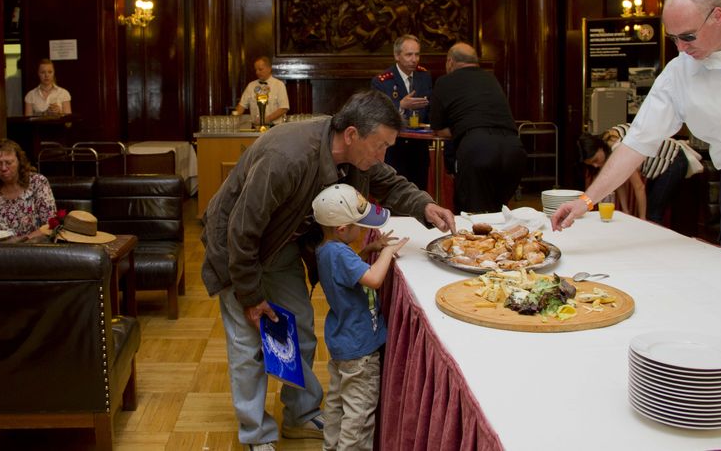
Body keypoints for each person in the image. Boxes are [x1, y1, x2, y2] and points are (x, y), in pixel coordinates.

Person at [200, 89, 455, 451]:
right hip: (234, 249)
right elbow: (241, 231)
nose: (383, 155)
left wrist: (425, 207)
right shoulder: (285, 157)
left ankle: (300, 415)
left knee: (301, 330)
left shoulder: (355, 154)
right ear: (352, 134)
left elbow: (389, 181)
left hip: (281, 247)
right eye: (380, 146)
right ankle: (256, 435)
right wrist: (252, 297)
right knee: (248, 344)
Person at [553, 0, 721, 267]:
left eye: (688, 36)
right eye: (673, 38)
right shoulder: (678, 77)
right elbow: (636, 144)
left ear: (717, 16)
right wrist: (586, 201)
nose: (681, 48)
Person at [312, 184, 408, 451]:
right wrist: (386, 252)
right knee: (358, 415)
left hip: (343, 344)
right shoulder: (340, 253)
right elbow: (374, 279)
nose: (364, 230)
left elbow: (346, 271)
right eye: (360, 226)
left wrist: (369, 250)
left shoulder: (327, 249)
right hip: (360, 351)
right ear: (343, 229)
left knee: (336, 405)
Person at [429, 42, 527, 213]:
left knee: (471, 215)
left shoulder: (445, 82)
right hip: (514, 149)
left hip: (477, 148)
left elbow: (438, 128)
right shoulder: (491, 79)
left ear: (450, 61)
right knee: (499, 213)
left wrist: (462, 127)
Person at [578, 124, 687, 224]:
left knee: (652, 214)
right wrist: (625, 211)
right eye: (591, 164)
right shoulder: (607, 141)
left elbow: (639, 187)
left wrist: (642, 220)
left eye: (595, 160)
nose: (595, 166)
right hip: (661, 164)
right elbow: (618, 182)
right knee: (650, 210)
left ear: (600, 147)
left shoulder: (620, 149)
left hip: (672, 160)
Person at [371, 34, 432, 190]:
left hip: (419, 151)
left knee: (419, 195)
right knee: (394, 195)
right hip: (394, 150)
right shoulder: (382, 81)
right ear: (397, 56)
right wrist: (400, 105)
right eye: (409, 54)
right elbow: (377, 113)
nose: (414, 59)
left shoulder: (424, 76)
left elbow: (429, 109)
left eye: (417, 54)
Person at [0, 138, 57, 239]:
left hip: (33, 245)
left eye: (9, 163)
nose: (3, 168)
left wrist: (22, 242)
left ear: (19, 162)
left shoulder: (37, 182)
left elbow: (50, 225)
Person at [234, 56, 290, 126]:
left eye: (260, 69)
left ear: (269, 69)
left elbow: (283, 108)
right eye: (256, 70)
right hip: (255, 127)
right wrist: (233, 118)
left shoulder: (279, 85)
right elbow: (241, 106)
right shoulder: (251, 86)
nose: (257, 72)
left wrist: (266, 119)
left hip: (274, 127)